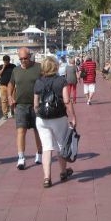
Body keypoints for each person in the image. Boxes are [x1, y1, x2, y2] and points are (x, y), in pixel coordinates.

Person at [33, 56, 77, 188]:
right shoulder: (61, 81)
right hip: (58, 118)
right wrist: (73, 117)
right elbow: (66, 101)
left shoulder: (38, 82)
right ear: (56, 66)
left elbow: (35, 103)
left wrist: (38, 114)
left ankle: (47, 178)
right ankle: (63, 172)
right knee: (60, 145)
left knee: (46, 148)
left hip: (42, 119)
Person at [8, 48, 43, 170]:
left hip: (37, 105)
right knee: (20, 131)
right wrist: (9, 96)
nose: (23, 61)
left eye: (25, 58)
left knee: (37, 131)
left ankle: (39, 154)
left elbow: (46, 81)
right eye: (21, 59)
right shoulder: (16, 70)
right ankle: (21, 158)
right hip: (21, 105)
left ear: (30, 56)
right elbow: (11, 84)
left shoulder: (39, 68)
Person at [0, 55, 16, 120]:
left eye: (7, 61)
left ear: (9, 60)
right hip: (3, 86)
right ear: (3, 61)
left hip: (11, 85)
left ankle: (12, 112)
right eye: (5, 61)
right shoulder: (1, 66)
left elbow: (16, 75)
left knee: (12, 99)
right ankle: (5, 114)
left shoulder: (13, 66)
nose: (6, 62)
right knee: (4, 100)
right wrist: (3, 68)